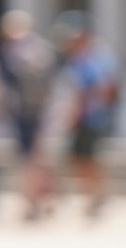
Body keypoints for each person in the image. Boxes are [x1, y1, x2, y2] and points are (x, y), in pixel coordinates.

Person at [35, 12, 120, 222]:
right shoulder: (77, 59)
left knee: (85, 157)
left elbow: (105, 87)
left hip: (90, 117)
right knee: (78, 158)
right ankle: (92, 195)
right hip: (78, 116)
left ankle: (97, 195)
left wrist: (87, 109)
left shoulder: (96, 57)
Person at [1, 11, 51, 216]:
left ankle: (32, 200)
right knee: (38, 156)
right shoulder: (43, 49)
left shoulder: (10, 53)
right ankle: (43, 199)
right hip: (42, 111)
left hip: (24, 112)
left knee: (28, 157)